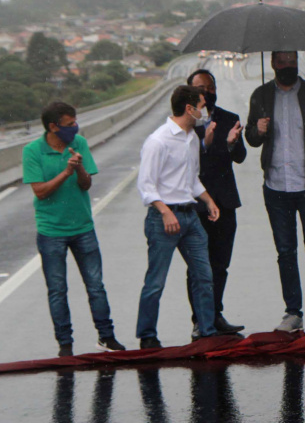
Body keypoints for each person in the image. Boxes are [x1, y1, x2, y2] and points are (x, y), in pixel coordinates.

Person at [244, 51, 305, 335]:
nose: (287, 65)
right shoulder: (260, 96)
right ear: (273, 63)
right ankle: (293, 313)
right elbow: (250, 138)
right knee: (286, 252)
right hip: (276, 187)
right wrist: (258, 130)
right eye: (282, 60)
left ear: (297, 62)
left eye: (292, 60)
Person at [22, 102, 125, 357]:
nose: (74, 128)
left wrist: (79, 168)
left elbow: (87, 184)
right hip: (51, 231)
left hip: (82, 227)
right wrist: (66, 171)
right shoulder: (33, 151)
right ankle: (65, 345)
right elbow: (40, 191)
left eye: (75, 123)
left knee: (95, 285)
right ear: (53, 126)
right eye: (69, 125)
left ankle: (107, 337)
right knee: (57, 289)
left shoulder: (78, 143)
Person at [136, 85, 222, 349]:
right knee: (156, 280)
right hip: (164, 219)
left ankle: (207, 331)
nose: (204, 111)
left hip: (190, 216)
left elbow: (191, 179)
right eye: (202, 105)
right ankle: (147, 335)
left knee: (204, 276)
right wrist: (165, 212)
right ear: (189, 108)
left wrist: (208, 200)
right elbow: (146, 186)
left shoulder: (192, 138)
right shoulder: (158, 141)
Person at [186, 69, 247, 338]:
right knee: (198, 265)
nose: (206, 92)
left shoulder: (229, 118)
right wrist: (207, 143)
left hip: (225, 201)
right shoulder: (185, 123)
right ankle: (199, 318)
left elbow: (241, 156)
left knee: (221, 263)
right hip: (195, 203)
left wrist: (232, 144)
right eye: (200, 88)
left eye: (210, 87)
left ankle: (215, 313)